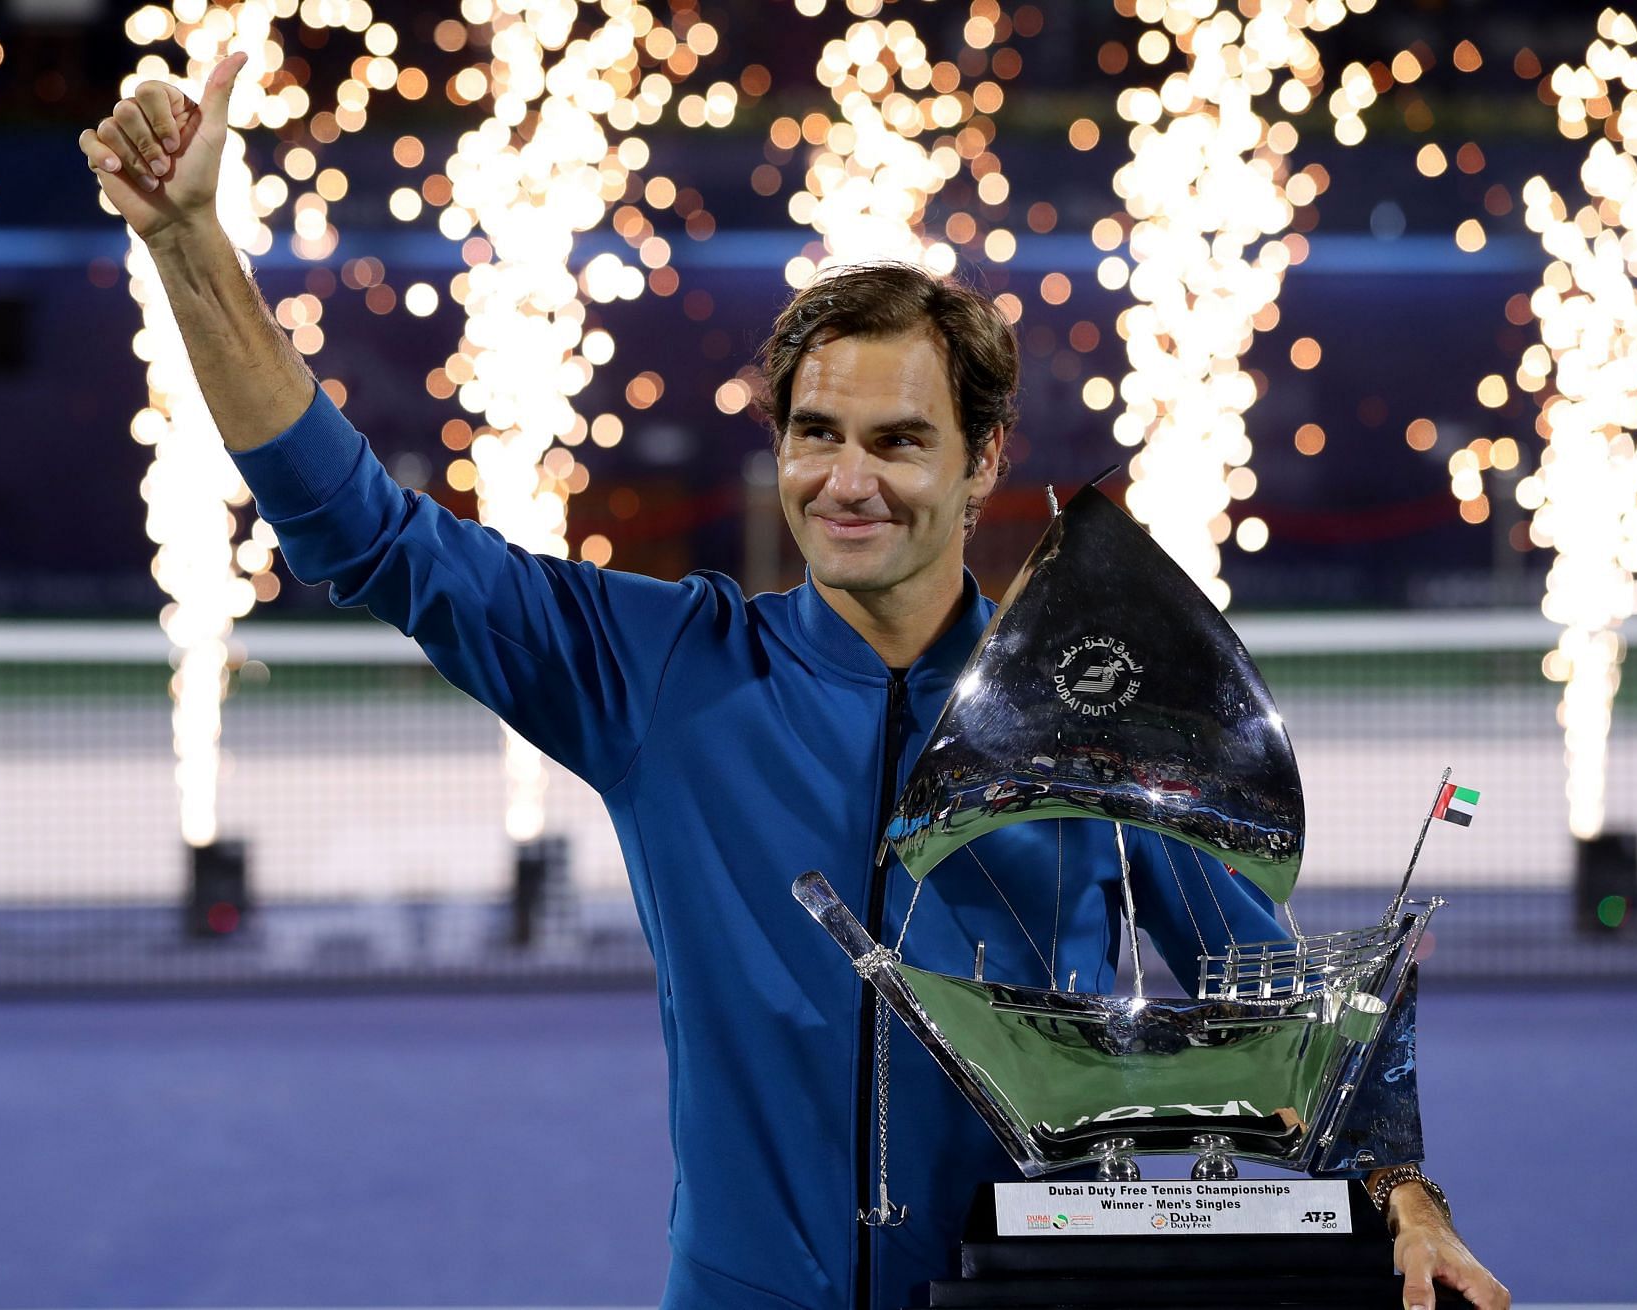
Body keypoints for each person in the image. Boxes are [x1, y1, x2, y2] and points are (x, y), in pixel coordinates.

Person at [79, 54, 1510, 1310]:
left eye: (897, 441)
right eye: (815, 434)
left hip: (1027, 1289)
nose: (848, 479)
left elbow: (1269, 1011)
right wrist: (193, 244)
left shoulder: (1096, 705)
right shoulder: (659, 672)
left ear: (982, 459)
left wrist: (1412, 1204)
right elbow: (364, 535)